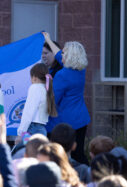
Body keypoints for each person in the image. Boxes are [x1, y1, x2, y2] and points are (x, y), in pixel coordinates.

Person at [43, 32, 90, 165]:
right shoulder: (81, 70)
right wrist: (48, 39)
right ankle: (89, 178)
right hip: (81, 120)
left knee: (61, 156)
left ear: (69, 56)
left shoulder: (62, 75)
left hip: (65, 123)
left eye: (64, 53)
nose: (60, 55)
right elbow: (58, 54)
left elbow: (53, 100)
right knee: (79, 154)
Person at [16, 63, 57, 141]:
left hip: (31, 129)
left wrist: (20, 133)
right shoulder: (46, 89)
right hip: (41, 129)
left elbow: (28, 112)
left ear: (34, 77)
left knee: (28, 152)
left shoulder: (34, 88)